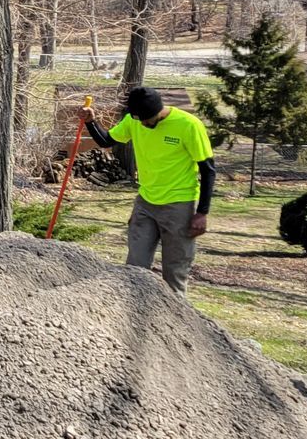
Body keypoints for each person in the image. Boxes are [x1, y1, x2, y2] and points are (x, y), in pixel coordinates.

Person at [77, 87, 217, 294]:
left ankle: (175, 320)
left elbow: (208, 170)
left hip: (179, 204)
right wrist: (90, 121)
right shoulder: (135, 120)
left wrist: (202, 212)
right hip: (146, 202)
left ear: (158, 111)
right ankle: (132, 312)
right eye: (139, 119)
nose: (142, 124)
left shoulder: (189, 125)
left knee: (174, 272)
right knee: (134, 267)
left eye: (146, 120)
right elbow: (106, 140)